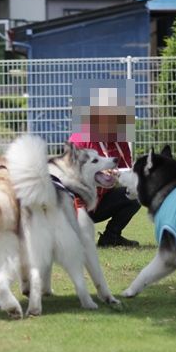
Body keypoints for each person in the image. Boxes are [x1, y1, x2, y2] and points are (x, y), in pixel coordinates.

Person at [69, 80, 140, 247]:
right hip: (75, 205)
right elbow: (67, 179)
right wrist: (96, 176)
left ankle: (111, 236)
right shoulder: (79, 140)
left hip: (100, 203)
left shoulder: (120, 142)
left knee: (136, 193)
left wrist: (122, 175)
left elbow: (126, 171)